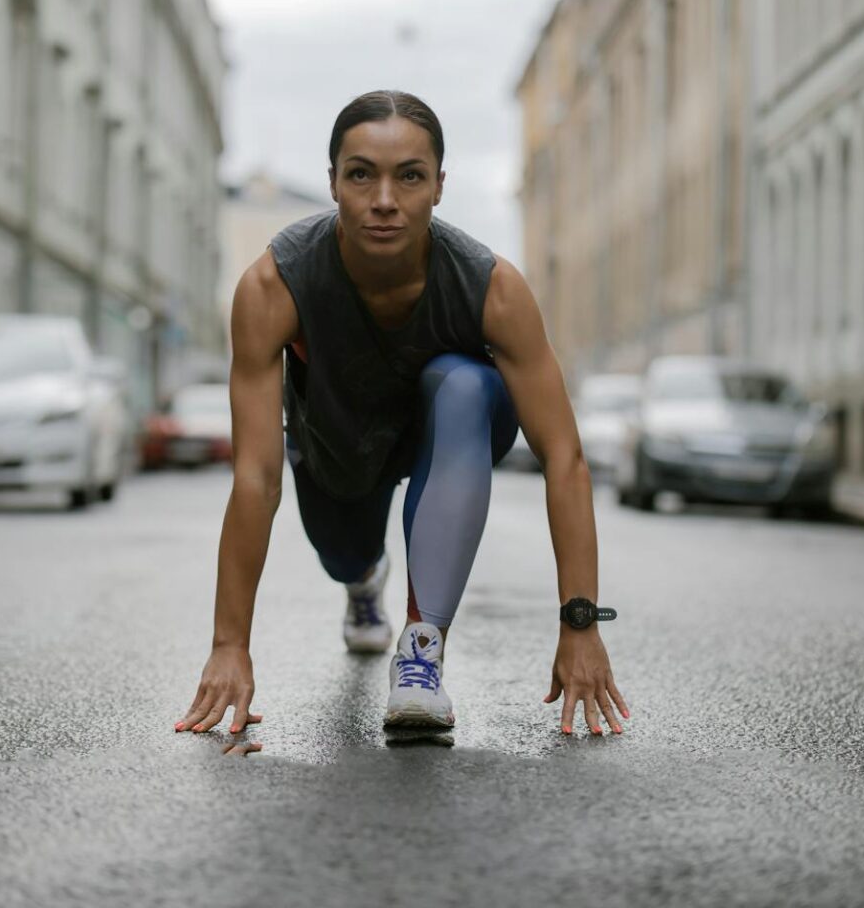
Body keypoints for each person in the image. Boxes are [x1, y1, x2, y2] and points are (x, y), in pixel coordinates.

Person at [175, 90, 628, 736]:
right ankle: (365, 581)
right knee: (343, 556)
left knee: (465, 383)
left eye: (409, 177)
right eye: (361, 174)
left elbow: (565, 457)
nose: (384, 199)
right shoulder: (275, 286)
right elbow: (255, 475)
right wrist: (229, 645)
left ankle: (421, 655)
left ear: (439, 187)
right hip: (336, 448)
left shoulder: (492, 287)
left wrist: (579, 624)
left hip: (447, 439)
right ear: (332, 182)